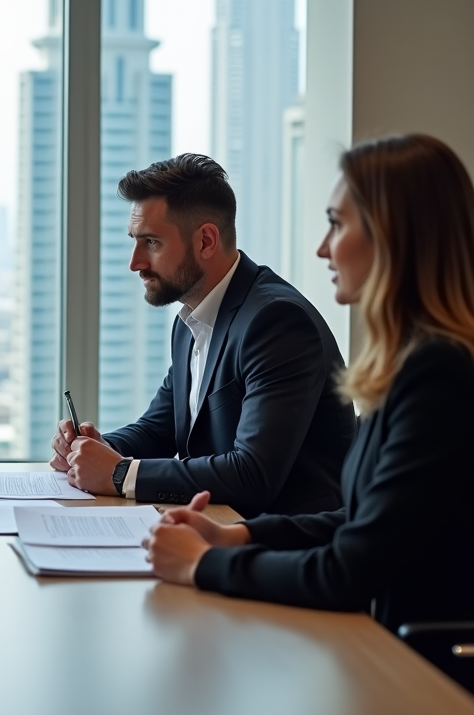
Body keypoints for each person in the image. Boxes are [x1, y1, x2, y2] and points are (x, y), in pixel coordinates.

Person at [146, 134, 474, 632]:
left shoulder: (439, 373)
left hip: (422, 672)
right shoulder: (410, 363)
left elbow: (350, 571)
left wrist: (200, 564)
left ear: (393, 238)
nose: (323, 248)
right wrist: (238, 537)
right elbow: (363, 524)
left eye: (337, 225)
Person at [52, 154, 356, 517]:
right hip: (219, 529)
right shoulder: (191, 320)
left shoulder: (276, 321)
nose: (135, 262)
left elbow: (253, 474)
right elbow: (160, 429)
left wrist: (118, 474)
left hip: (288, 549)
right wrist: (92, 449)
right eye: (134, 240)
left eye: (151, 242)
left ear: (206, 241)